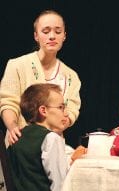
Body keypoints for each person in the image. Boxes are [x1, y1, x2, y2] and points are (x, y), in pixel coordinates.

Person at [0, 10, 81, 146]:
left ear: (64, 36)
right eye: (46, 31)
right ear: (36, 36)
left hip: (53, 145)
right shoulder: (17, 65)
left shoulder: (71, 76)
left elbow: (72, 109)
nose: (52, 36)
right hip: (20, 142)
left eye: (58, 31)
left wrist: (63, 122)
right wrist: (13, 126)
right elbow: (8, 101)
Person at [7, 83, 85, 191]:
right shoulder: (51, 138)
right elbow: (61, 186)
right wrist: (74, 164)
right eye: (61, 107)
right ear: (43, 110)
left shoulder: (17, 136)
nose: (66, 113)